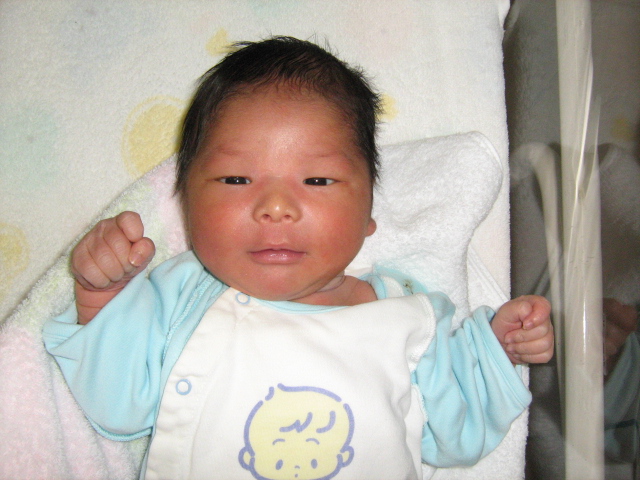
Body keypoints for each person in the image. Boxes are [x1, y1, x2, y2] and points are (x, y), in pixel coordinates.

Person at [43, 37, 553, 480]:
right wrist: (102, 295)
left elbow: (456, 432)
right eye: (236, 179)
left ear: (368, 215)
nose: (276, 207)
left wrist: (496, 348)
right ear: (186, 204)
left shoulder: (404, 312)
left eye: (317, 180)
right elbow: (115, 405)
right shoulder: (181, 294)